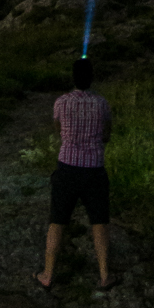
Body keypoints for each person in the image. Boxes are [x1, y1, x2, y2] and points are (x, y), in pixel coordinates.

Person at [35, 57, 119, 291]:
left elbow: (58, 130)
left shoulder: (61, 102)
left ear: (73, 78)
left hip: (67, 167)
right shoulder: (101, 103)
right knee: (99, 222)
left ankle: (47, 274)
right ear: (92, 77)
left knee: (57, 221)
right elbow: (106, 135)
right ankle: (104, 275)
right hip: (94, 168)